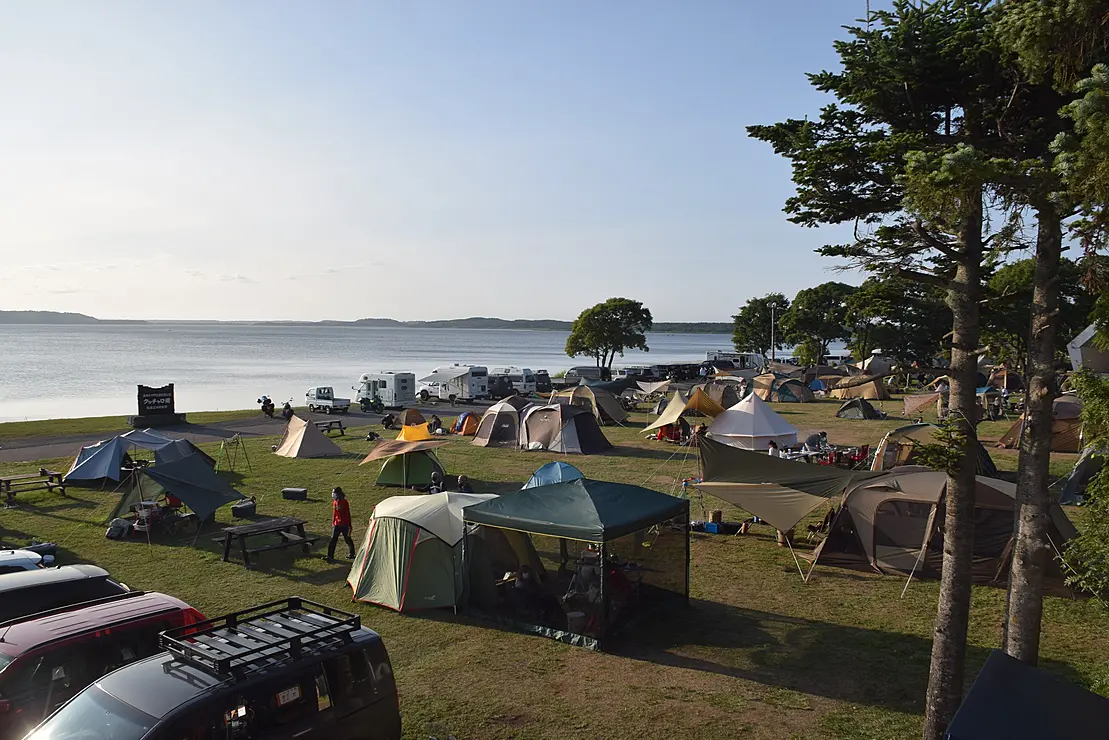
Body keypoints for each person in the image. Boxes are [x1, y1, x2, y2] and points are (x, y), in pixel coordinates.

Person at [327, 487, 356, 562]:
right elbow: (335, 513)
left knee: (347, 539)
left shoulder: (344, 502)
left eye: (334, 493)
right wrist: (333, 522)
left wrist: (349, 524)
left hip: (344, 524)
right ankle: (330, 556)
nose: (333, 495)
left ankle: (352, 553)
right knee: (333, 540)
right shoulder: (335, 501)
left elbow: (346, 513)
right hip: (337, 524)